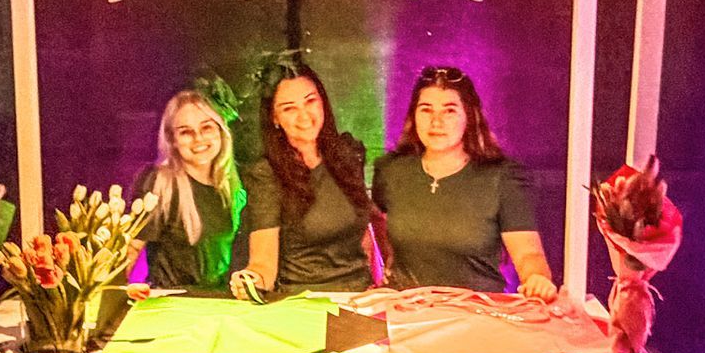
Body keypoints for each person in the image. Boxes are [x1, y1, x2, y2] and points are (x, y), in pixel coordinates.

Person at [373, 65, 558, 298]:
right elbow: (376, 227)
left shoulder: (502, 178)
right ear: (413, 115)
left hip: (475, 315)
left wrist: (537, 280)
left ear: (469, 116)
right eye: (426, 110)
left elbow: (528, 256)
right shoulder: (391, 170)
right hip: (403, 313)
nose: (436, 122)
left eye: (449, 111)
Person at [232, 63, 374, 294]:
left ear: (323, 102)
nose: (304, 115)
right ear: (274, 118)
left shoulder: (347, 154)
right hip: (304, 301)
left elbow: (364, 237)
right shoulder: (266, 174)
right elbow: (263, 264)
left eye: (310, 101)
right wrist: (251, 282)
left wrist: (380, 285)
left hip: (361, 297)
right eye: (289, 108)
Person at [133, 90, 241, 290]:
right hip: (174, 307)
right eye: (185, 131)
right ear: (172, 139)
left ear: (221, 131)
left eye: (206, 127)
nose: (198, 138)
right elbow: (129, 251)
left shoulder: (232, 185)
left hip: (221, 305)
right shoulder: (160, 184)